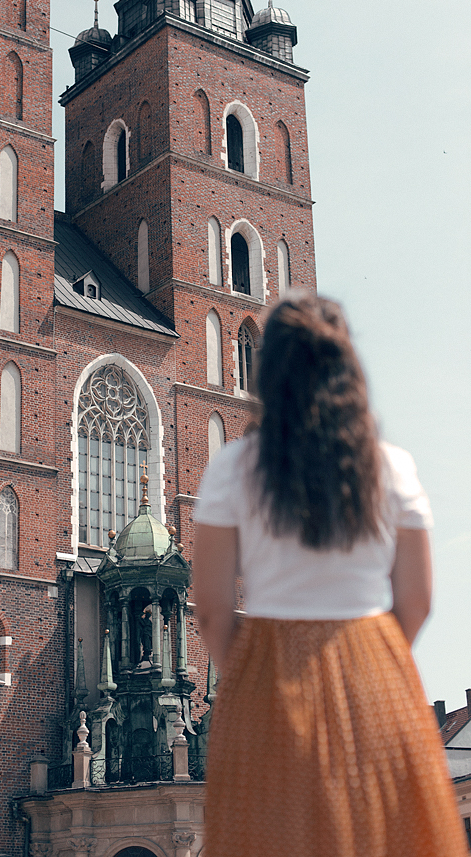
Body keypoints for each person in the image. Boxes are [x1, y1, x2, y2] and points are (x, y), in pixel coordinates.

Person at [193, 293, 466, 857]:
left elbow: (214, 609)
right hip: (374, 664)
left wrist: (251, 676)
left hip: (269, 670)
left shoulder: (233, 469)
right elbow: (416, 601)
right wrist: (371, 656)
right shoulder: (391, 466)